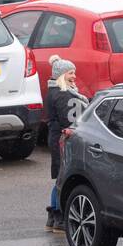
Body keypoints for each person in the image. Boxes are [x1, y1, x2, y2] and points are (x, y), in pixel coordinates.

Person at [44, 56, 87, 233]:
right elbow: (69, 122)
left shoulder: (55, 92)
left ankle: (53, 217)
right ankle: (59, 217)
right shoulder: (64, 95)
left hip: (55, 139)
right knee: (63, 178)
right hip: (63, 141)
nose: (74, 76)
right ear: (61, 75)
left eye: (74, 72)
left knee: (59, 178)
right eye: (70, 73)